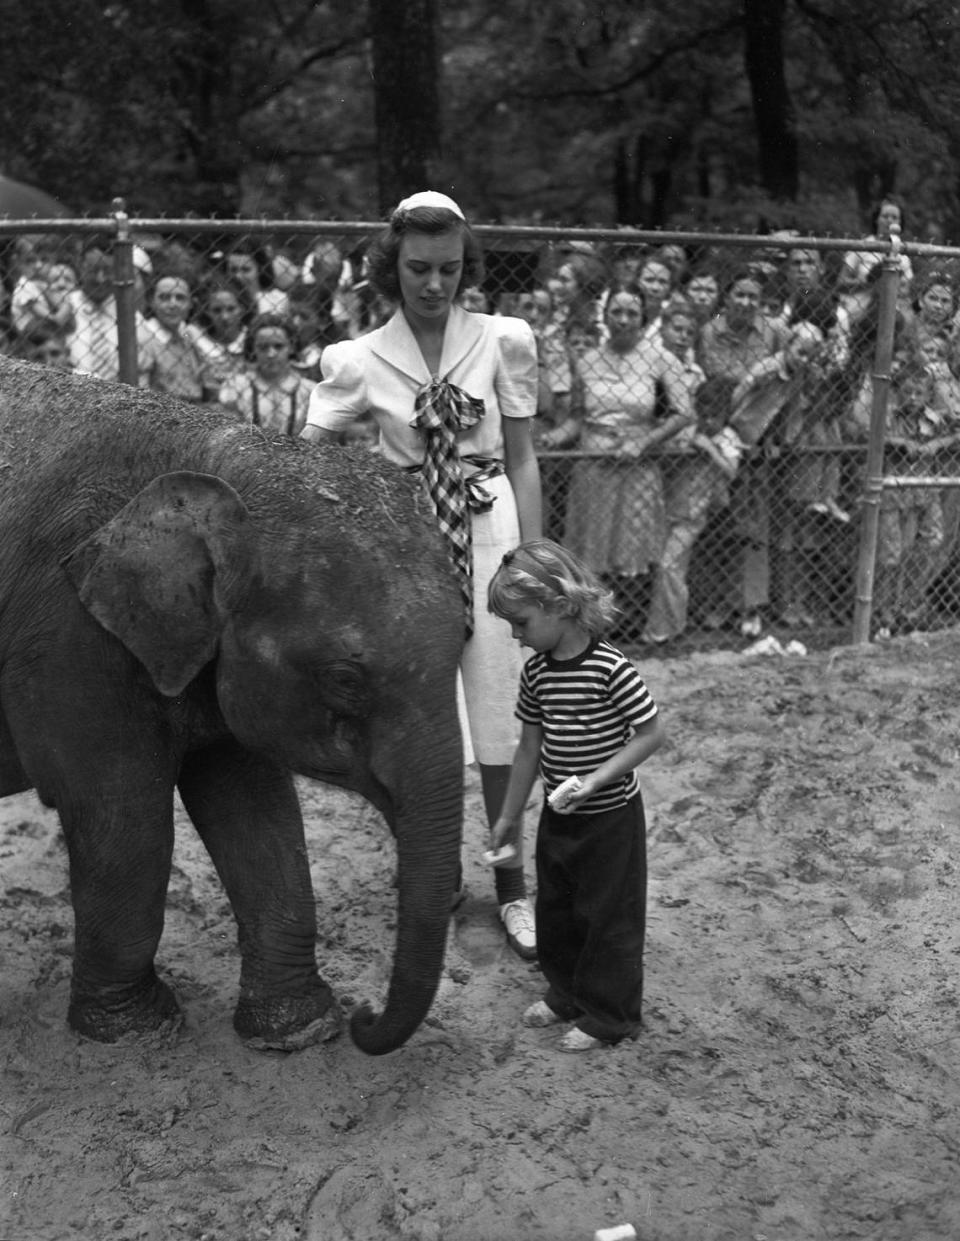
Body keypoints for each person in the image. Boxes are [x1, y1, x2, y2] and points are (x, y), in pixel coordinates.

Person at [300, 190, 543, 961]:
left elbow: (527, 456)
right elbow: (303, 460)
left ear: (466, 264)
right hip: (407, 540)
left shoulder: (504, 339)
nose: (434, 284)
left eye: (448, 268)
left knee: (502, 707)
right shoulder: (358, 358)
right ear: (391, 267)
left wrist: (533, 557)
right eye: (417, 268)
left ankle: (513, 886)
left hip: (490, 527)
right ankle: (432, 876)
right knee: (414, 713)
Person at [487, 538, 663, 1052]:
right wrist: (509, 815)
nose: (517, 637)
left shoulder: (611, 668)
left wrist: (596, 779)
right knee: (558, 910)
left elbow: (652, 734)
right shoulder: (537, 673)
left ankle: (611, 1015)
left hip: (610, 819)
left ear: (560, 606)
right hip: (559, 818)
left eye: (521, 622)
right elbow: (528, 748)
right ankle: (566, 992)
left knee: (609, 916)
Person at [562, 288, 696, 638]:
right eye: (616, 311)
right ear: (604, 315)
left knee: (633, 551)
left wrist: (643, 441)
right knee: (591, 551)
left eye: (631, 313)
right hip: (593, 464)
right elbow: (577, 417)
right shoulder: (587, 358)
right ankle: (591, 631)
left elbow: (684, 413)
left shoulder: (660, 358)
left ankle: (628, 633)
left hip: (636, 466)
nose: (623, 320)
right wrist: (553, 437)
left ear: (643, 318)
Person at [217, 313, 314, 435]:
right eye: (263, 347)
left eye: (278, 346)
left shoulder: (309, 391)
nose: (271, 354)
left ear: (292, 347)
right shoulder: (235, 386)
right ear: (253, 349)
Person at [138, 273, 211, 401]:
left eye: (180, 298)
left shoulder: (189, 336)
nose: (173, 304)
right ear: (152, 302)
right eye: (165, 298)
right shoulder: (143, 338)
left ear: (191, 304)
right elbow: (139, 394)